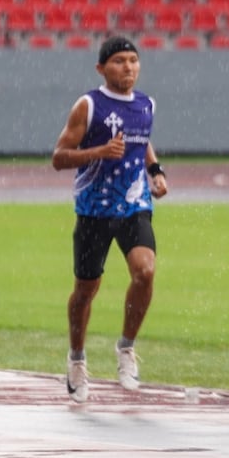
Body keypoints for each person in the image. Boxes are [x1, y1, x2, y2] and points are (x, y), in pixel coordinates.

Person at [52, 36, 169, 404]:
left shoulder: (146, 103)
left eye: (133, 61)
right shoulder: (89, 105)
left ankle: (126, 348)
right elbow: (59, 156)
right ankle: (76, 358)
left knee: (145, 271)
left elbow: (142, 140)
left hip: (134, 204)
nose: (129, 68)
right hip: (94, 210)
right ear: (102, 68)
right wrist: (99, 152)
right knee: (86, 290)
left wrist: (155, 170)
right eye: (119, 61)